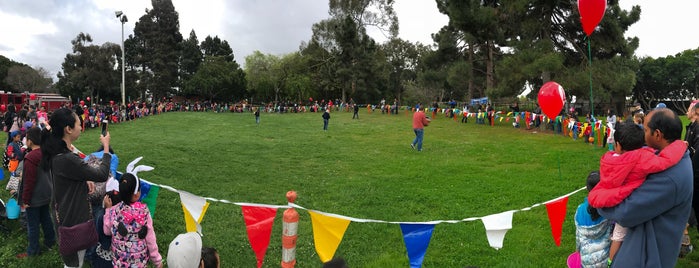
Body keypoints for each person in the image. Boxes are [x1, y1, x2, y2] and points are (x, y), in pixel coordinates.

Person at [599, 108, 693, 267]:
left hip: (648, 255)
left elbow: (626, 212)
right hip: (645, 244)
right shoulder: (673, 154)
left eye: (646, 129)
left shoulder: (670, 177)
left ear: (657, 135)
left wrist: (599, 201)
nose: (643, 132)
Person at [41, 107, 112, 268]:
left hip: (63, 212)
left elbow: (66, 175)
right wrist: (106, 148)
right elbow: (101, 174)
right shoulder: (67, 158)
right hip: (72, 218)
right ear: (68, 129)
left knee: (73, 259)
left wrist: (83, 178)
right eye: (79, 124)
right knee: (74, 263)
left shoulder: (56, 153)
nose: (81, 127)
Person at [103, 173, 162, 268]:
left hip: (119, 262)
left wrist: (107, 209)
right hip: (139, 263)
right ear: (136, 194)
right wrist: (157, 260)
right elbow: (150, 238)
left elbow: (107, 232)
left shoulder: (113, 210)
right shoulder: (144, 212)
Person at [18, 127, 55, 258]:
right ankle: (50, 242)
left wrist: (26, 200)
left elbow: (29, 181)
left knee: (32, 225)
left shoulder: (31, 157)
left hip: (34, 197)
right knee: (46, 218)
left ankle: (33, 250)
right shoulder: (46, 153)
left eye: (26, 138)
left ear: (30, 141)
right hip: (47, 194)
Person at [575, 171, 613, 267]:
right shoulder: (610, 210)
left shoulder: (580, 210)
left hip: (586, 261)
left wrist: (577, 251)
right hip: (607, 258)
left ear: (587, 188)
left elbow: (578, 235)